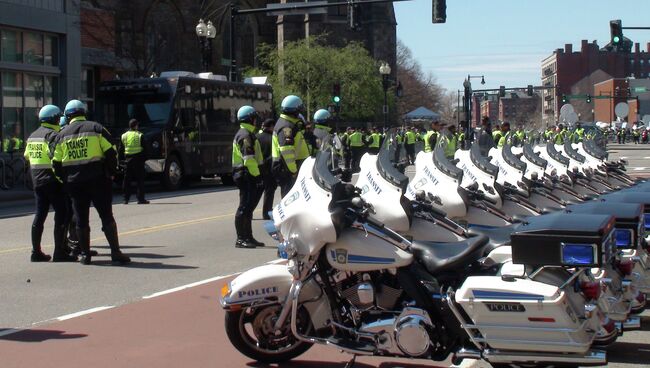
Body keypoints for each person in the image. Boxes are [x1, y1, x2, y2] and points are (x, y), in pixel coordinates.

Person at [51, 100, 130, 265]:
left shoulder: (61, 135)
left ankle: (85, 255)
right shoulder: (96, 128)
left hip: (74, 184)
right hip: (98, 180)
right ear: (83, 112)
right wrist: (111, 173)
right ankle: (115, 252)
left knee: (80, 219)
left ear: (67, 115)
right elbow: (111, 152)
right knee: (106, 216)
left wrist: (64, 180)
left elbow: (56, 163)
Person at [23, 105, 77, 262]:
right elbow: (58, 159)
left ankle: (36, 251)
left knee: (39, 215)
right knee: (62, 214)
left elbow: (27, 156)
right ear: (55, 118)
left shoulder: (33, 135)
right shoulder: (52, 135)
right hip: (54, 181)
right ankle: (59, 252)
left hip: (37, 181)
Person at [232, 106, 264, 248]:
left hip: (247, 174)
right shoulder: (245, 135)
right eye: (254, 117)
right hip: (246, 174)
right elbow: (249, 159)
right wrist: (257, 176)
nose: (256, 120)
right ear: (250, 118)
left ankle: (248, 237)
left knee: (249, 208)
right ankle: (241, 239)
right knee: (244, 207)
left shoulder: (248, 133)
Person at [272, 95, 310, 197]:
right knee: (290, 198)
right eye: (299, 110)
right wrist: (294, 171)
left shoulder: (289, 124)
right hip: (287, 169)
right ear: (295, 111)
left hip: (288, 167)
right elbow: (286, 151)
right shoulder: (286, 126)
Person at [121, 119, 149, 205]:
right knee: (140, 180)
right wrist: (144, 159)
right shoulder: (140, 135)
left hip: (127, 160)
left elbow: (120, 149)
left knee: (127, 180)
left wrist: (121, 161)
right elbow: (145, 149)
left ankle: (125, 199)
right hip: (138, 159)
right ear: (136, 126)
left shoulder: (124, 136)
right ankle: (141, 199)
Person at [256, 118, 276, 220]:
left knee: (256, 192)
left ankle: (249, 212)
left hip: (257, 168)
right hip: (269, 169)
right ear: (271, 127)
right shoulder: (273, 138)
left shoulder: (256, 137)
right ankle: (266, 213)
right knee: (269, 192)